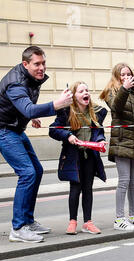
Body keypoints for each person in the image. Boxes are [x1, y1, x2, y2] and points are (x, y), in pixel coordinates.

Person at [0, 46, 73, 243]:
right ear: (25, 64)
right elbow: (27, 107)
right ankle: (18, 228)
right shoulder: (16, 82)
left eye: (43, 63)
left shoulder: (32, 77)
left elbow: (24, 107)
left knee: (37, 171)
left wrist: (29, 116)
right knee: (27, 173)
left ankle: (28, 221)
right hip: (4, 131)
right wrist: (56, 105)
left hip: (15, 129)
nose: (41, 68)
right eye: (37, 64)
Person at [99, 63, 134, 231]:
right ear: (116, 78)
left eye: (128, 74)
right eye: (122, 75)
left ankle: (133, 216)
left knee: (133, 182)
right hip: (122, 142)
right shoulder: (112, 92)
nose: (125, 77)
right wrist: (124, 89)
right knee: (123, 181)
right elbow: (116, 107)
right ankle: (119, 219)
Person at [49, 81, 107, 235]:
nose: (85, 93)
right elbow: (53, 130)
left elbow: (99, 132)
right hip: (73, 157)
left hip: (90, 156)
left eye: (86, 90)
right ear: (74, 96)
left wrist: (100, 140)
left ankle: (87, 222)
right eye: (81, 91)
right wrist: (67, 135)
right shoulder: (67, 112)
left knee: (88, 189)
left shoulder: (96, 112)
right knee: (75, 189)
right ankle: (72, 221)